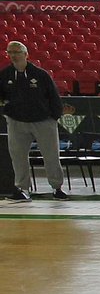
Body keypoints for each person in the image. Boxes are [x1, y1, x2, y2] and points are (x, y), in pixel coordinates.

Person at [1, 41, 66, 201]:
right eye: (10, 52)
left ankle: (57, 188)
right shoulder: (5, 75)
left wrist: (53, 118)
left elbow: (54, 97)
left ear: (25, 54)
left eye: (16, 52)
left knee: (51, 155)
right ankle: (22, 189)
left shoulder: (40, 74)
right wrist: (6, 112)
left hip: (43, 121)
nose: (13, 55)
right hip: (17, 122)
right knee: (18, 157)